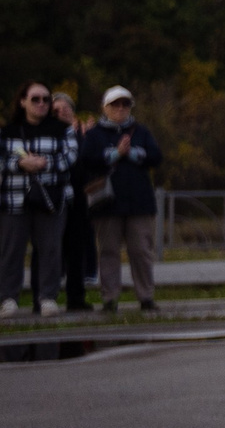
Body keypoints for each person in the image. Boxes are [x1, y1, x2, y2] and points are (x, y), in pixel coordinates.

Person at [81, 88, 162, 310]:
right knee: (108, 251)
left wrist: (133, 153)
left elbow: (156, 156)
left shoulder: (141, 131)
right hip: (107, 203)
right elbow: (87, 159)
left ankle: (146, 296)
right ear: (105, 108)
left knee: (141, 251)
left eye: (125, 105)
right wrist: (115, 154)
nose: (120, 109)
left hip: (139, 202)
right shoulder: (95, 133)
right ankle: (110, 298)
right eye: (115, 105)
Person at [3, 81, 74, 316]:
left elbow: (71, 158)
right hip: (14, 200)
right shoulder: (8, 131)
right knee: (11, 251)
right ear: (22, 102)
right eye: (35, 99)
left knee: (50, 250)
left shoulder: (63, 129)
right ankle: (8, 299)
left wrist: (43, 163)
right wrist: (20, 164)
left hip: (51, 201)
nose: (42, 103)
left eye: (46, 99)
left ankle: (47, 298)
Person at [50, 90, 96, 311]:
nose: (61, 113)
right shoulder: (49, 136)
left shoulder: (82, 135)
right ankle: (45, 296)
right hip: (54, 199)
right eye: (56, 110)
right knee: (48, 249)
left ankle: (75, 297)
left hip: (78, 200)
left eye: (65, 109)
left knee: (77, 250)